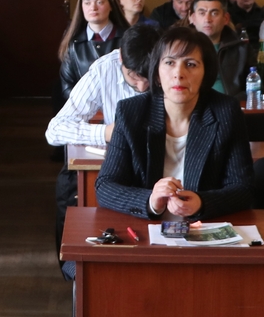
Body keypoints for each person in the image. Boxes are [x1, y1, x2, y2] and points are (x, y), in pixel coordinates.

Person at [95, 25, 254, 227]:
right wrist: (150, 201)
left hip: (201, 229)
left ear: (206, 73)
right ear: (157, 73)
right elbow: (105, 186)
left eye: (191, 64)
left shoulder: (226, 112)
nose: (178, 74)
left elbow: (243, 188)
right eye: (170, 63)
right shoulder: (131, 112)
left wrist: (202, 203)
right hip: (147, 228)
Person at [45, 24, 159, 245]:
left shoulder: (168, 65)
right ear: (121, 59)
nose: (142, 86)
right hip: (117, 169)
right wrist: (106, 132)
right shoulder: (104, 68)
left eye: (149, 77)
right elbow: (55, 130)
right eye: (134, 76)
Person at [59, 0, 130, 100]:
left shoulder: (127, 38)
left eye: (100, 2)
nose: (93, 8)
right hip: (85, 106)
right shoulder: (74, 42)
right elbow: (67, 85)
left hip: (121, 105)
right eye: (87, 3)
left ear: (111, 5)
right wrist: (88, 105)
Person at [188, 0, 249, 101]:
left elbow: (255, 87)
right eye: (202, 13)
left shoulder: (241, 49)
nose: (207, 19)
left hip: (231, 105)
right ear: (192, 18)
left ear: (226, 18)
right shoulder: (181, 49)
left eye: (214, 13)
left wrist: (231, 103)